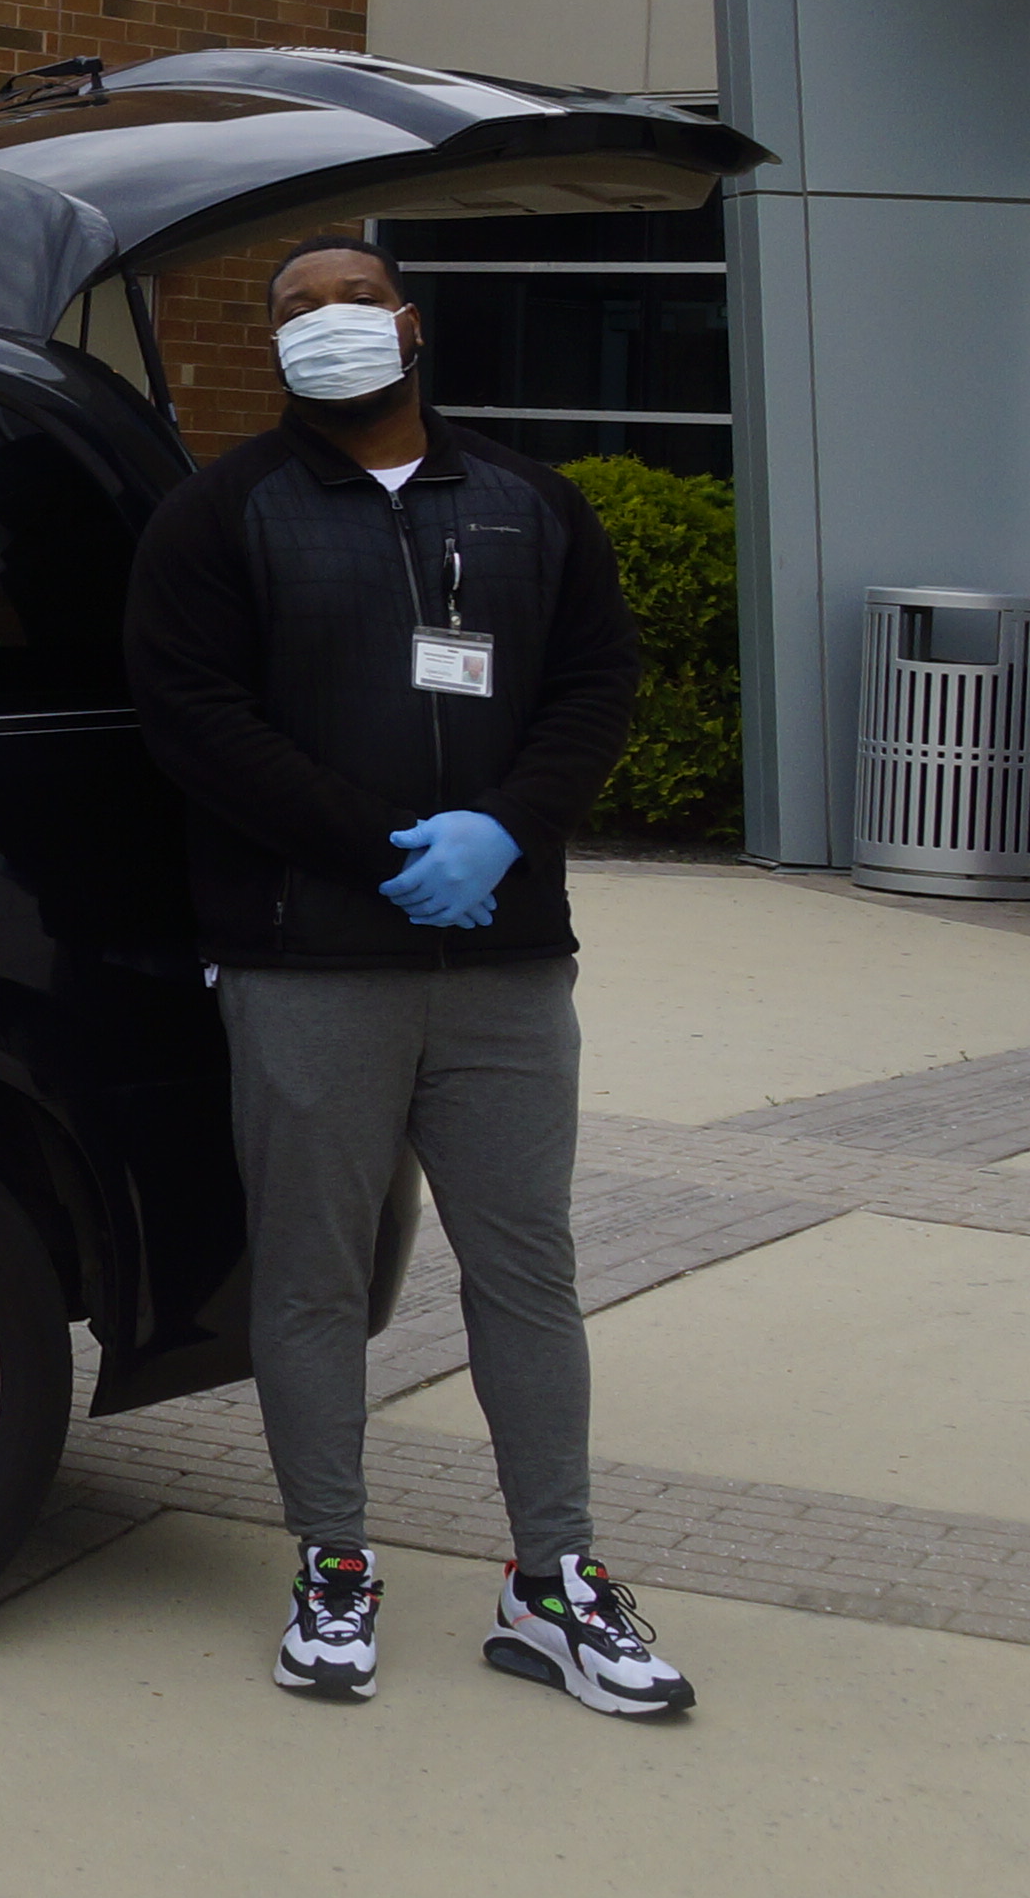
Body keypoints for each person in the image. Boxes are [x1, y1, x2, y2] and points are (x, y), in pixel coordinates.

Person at [120, 235, 694, 1721]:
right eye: (293, 310)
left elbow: (595, 686)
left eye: (350, 301)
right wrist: (380, 846)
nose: (326, 326)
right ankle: (333, 1562)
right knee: (309, 1279)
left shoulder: (527, 504)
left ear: (410, 324)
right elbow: (194, 720)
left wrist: (506, 827)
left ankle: (554, 1578)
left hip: (503, 965)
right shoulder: (218, 516)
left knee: (528, 1273)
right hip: (308, 963)